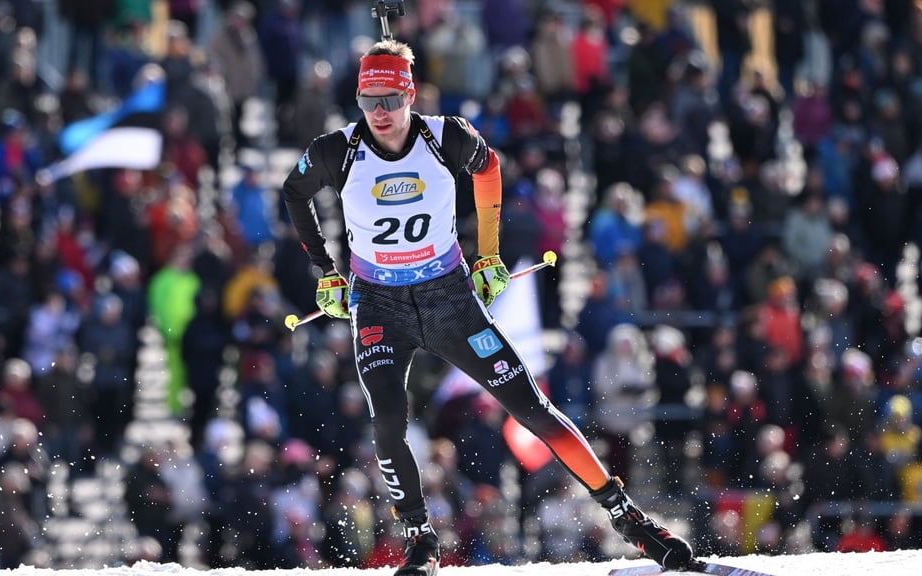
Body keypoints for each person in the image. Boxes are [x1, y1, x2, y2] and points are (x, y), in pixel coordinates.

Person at [281, 38, 696, 575]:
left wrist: (489, 254)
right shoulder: (337, 149)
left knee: (531, 407)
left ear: (409, 95)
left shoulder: (444, 135)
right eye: (367, 101)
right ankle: (420, 540)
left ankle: (628, 518)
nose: (378, 113)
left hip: (448, 297)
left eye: (389, 99)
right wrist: (326, 270)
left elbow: (490, 168)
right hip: (380, 303)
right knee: (387, 420)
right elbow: (294, 192)